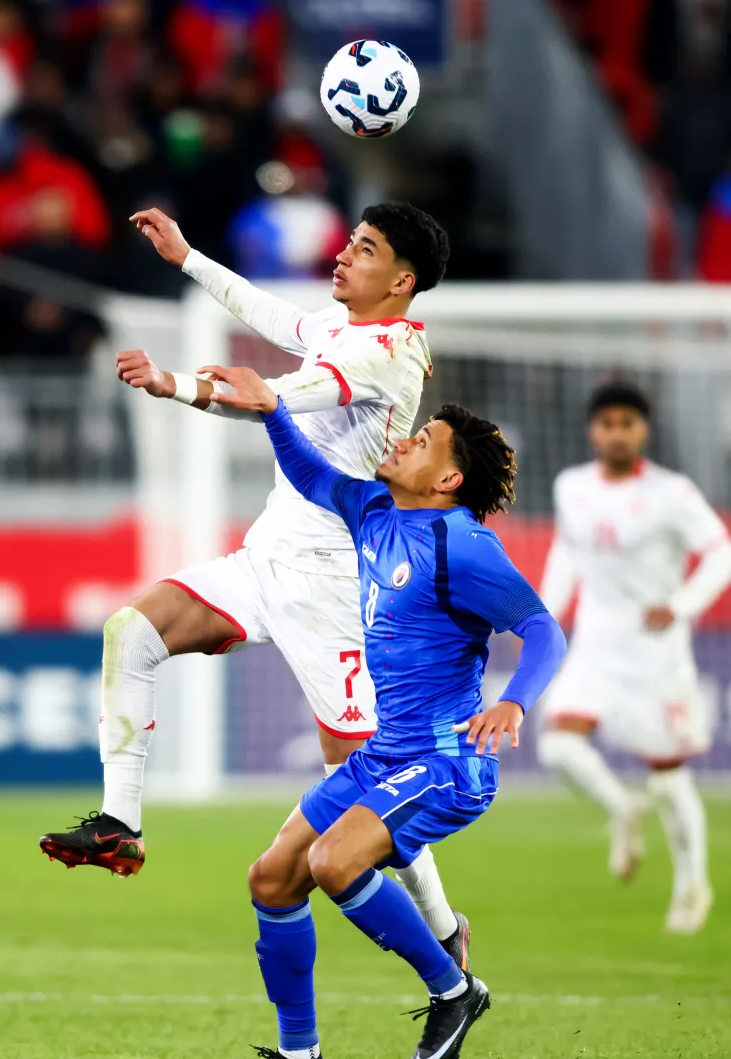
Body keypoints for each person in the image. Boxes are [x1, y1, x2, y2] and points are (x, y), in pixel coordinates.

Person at [39, 200, 472, 965]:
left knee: (366, 783)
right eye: (349, 242)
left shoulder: (388, 355)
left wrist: (175, 383)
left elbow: (278, 398)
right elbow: (277, 320)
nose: (344, 256)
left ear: (401, 280)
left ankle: (444, 927)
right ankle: (120, 823)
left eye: (364, 250)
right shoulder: (347, 328)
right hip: (264, 559)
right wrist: (187, 257)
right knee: (131, 632)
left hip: (333, 587)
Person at [190, 364, 565, 1059]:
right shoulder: (376, 515)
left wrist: (515, 701)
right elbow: (310, 475)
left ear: (449, 479)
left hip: (448, 760)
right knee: (272, 879)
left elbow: (544, 631)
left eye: (424, 440)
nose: (406, 439)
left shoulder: (463, 546)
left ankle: (455, 991)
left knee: (335, 862)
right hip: (386, 753)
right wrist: (273, 409)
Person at [538, 381, 731, 934]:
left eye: (628, 423)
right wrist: (543, 613)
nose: (617, 433)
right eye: (607, 423)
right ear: (592, 429)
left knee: (668, 778)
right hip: (596, 642)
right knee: (557, 747)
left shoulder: (674, 492)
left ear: (643, 430)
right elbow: (568, 551)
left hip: (655, 651)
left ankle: (693, 882)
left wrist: (682, 603)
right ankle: (623, 809)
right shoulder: (571, 486)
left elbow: (719, 550)